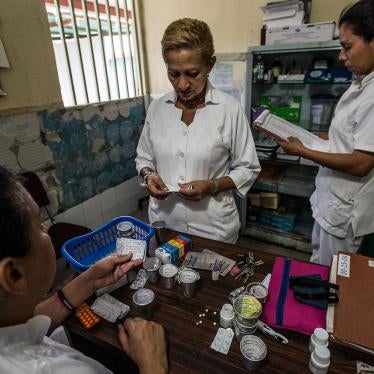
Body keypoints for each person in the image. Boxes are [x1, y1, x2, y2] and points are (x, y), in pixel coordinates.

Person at [0, 166, 168, 374]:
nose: (46, 230)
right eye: (39, 224)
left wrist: (87, 283)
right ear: (13, 274)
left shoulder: (9, 319)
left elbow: (23, 329)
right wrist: (153, 364)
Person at [136, 18, 260, 244]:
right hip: (165, 220)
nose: (182, 84)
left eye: (192, 73)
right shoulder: (157, 108)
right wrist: (148, 175)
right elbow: (143, 156)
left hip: (214, 227)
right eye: (174, 74)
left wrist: (212, 186)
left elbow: (248, 167)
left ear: (210, 65)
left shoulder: (229, 109)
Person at [277, 0, 374, 266]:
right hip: (332, 204)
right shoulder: (362, 84)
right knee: (319, 268)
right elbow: (343, 140)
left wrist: (302, 150)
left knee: (333, 278)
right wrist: (303, 135)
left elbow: (361, 163)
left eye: (347, 46)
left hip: (345, 211)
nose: (342, 56)